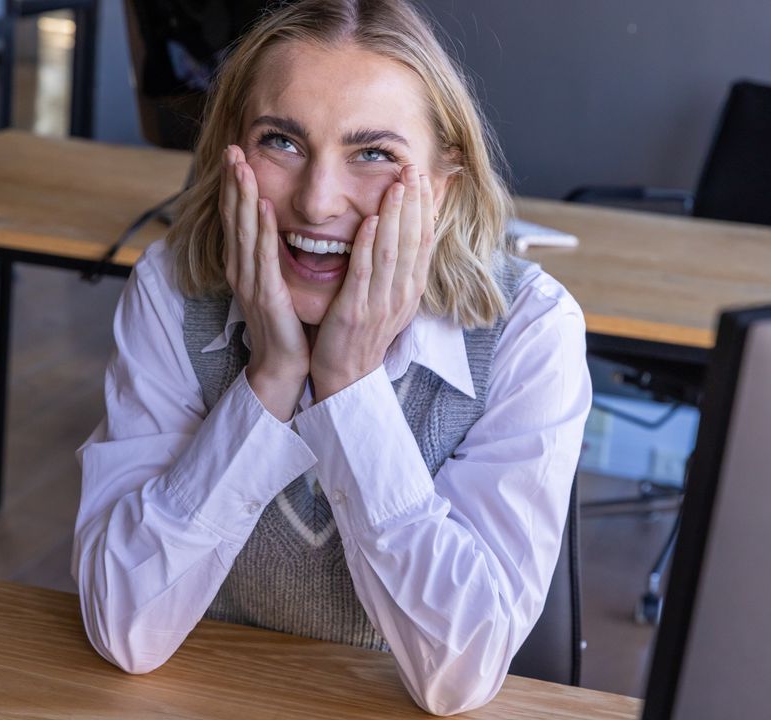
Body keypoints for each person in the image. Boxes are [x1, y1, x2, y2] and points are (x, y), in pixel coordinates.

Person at [73, 0, 591, 714]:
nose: (317, 203)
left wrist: (350, 384)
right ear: (232, 157)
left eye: (374, 154)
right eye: (281, 141)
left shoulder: (529, 331)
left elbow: (460, 676)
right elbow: (124, 628)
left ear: (442, 188)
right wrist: (272, 377)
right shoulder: (173, 289)